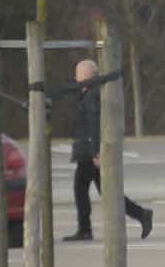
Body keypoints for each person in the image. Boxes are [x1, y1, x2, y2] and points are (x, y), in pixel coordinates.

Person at [39, 60, 153, 242]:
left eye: (78, 73)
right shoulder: (87, 93)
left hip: (90, 153)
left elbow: (94, 124)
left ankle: (86, 229)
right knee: (107, 191)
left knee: (84, 189)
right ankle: (140, 214)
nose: (75, 77)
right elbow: (67, 92)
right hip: (87, 151)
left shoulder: (92, 95)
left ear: (85, 76)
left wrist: (95, 152)